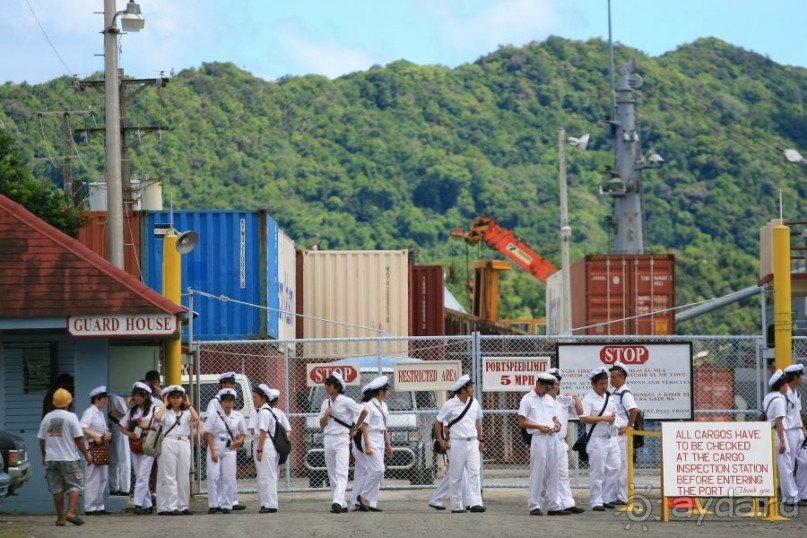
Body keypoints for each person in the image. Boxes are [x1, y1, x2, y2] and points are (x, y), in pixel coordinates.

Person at [38, 387, 92, 527]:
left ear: (54, 402)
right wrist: (86, 454)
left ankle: (60, 518)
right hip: (68, 458)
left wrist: (44, 455)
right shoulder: (71, 417)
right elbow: (79, 439)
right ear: (68, 403)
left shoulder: (47, 417)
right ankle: (71, 512)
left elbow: (42, 439)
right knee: (75, 485)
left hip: (51, 459)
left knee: (57, 488)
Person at [436, 374, 485, 514]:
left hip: (472, 442)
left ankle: (476, 503)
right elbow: (438, 422)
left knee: (474, 473)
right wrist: (441, 440)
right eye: (470, 387)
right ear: (463, 390)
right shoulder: (450, 404)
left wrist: (481, 440)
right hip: (458, 443)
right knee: (456, 475)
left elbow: (478, 421)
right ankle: (457, 505)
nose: (472, 389)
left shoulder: (474, 402)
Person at [319, 372, 367, 514]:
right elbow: (322, 425)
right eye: (326, 384)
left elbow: (364, 411)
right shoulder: (325, 403)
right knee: (332, 473)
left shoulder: (346, 401)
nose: (327, 387)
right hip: (328, 438)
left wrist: (356, 427)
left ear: (337, 386)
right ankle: (342, 503)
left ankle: (336, 501)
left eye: (330, 385)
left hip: (342, 439)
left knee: (341, 471)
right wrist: (326, 415)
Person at [518, 372, 564, 516]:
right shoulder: (527, 400)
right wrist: (538, 426)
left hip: (552, 437)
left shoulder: (549, 400)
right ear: (538, 385)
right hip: (539, 437)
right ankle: (534, 505)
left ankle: (554, 505)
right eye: (545, 388)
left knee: (553, 471)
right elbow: (522, 421)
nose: (546, 391)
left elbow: (555, 418)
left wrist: (557, 424)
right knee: (538, 472)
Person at [154, 385, 198, 515]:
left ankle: (183, 505)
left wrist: (189, 404)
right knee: (169, 476)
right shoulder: (164, 411)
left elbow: (195, 418)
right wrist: (165, 403)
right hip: (169, 441)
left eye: (179, 397)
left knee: (183, 475)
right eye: (172, 397)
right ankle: (171, 506)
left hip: (184, 442)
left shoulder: (186, 412)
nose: (176, 400)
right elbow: (157, 418)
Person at [580, 366, 620, 512]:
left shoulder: (609, 397)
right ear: (594, 384)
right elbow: (583, 419)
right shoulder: (588, 399)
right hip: (597, 439)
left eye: (606, 383)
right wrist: (603, 418)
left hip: (611, 437)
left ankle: (606, 497)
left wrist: (616, 421)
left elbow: (615, 413)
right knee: (598, 472)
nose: (604, 386)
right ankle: (596, 501)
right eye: (601, 383)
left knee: (614, 468)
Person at [206, 372, 246, 510]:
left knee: (228, 476)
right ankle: (216, 503)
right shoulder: (215, 402)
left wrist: (238, 440)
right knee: (214, 476)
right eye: (229, 383)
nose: (232, 386)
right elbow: (210, 426)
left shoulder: (235, 412)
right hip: (216, 442)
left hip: (229, 445)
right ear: (223, 384)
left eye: (233, 384)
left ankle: (228, 503)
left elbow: (243, 431)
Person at [547, 368, 585, 514]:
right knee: (552, 475)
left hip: (561, 441)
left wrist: (574, 397)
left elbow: (581, 412)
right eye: (553, 383)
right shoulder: (542, 400)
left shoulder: (563, 400)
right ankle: (555, 505)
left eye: (558, 383)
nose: (556, 386)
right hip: (548, 440)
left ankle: (567, 503)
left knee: (563, 474)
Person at [356, 376, 394, 512]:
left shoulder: (384, 406)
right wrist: (367, 445)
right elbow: (364, 426)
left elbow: (384, 427)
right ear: (380, 391)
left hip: (380, 439)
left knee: (376, 471)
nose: (388, 392)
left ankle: (372, 502)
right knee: (379, 469)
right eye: (386, 390)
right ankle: (364, 496)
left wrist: (388, 444)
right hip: (370, 438)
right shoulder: (369, 406)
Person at [119, 382, 156, 514]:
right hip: (135, 444)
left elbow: (159, 427)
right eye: (135, 395)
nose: (136, 398)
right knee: (139, 474)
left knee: (143, 474)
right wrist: (130, 434)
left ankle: (138, 503)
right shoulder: (133, 410)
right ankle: (148, 505)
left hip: (148, 443)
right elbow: (122, 426)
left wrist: (147, 426)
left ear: (145, 396)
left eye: (139, 395)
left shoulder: (154, 409)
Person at [254, 384, 291, 513]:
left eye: (256, 397)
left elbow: (263, 432)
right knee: (267, 475)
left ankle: (270, 504)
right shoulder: (267, 410)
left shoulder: (264, 412)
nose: (254, 399)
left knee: (267, 476)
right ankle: (267, 503)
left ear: (263, 398)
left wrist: (259, 450)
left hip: (267, 446)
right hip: (270, 446)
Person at [765, 369, 798, 505]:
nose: (787, 387)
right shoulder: (779, 400)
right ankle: (790, 497)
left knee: (771, 466)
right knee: (785, 466)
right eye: (785, 385)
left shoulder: (768, 397)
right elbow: (779, 421)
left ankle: (765, 496)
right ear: (780, 386)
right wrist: (783, 441)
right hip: (778, 434)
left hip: (770, 434)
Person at [609, 361, 638, 506]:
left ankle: (623, 495)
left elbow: (633, 410)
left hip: (623, 434)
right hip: (616, 433)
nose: (612, 380)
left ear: (622, 378)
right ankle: (615, 494)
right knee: (615, 464)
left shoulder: (625, 393)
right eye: (611, 377)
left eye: (614, 377)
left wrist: (628, 426)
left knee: (622, 466)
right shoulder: (616, 393)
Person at [427, 417, 472, 511]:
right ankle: (468, 502)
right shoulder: (450, 406)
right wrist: (445, 440)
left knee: (455, 472)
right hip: (452, 442)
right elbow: (444, 426)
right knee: (459, 471)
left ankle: (436, 499)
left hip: (458, 442)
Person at [81, 386, 112, 515]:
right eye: (104, 398)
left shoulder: (100, 413)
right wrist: (95, 436)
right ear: (98, 398)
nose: (105, 401)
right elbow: (82, 427)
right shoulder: (90, 412)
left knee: (102, 478)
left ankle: (99, 506)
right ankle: (90, 507)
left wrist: (107, 434)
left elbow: (103, 429)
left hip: (101, 447)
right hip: (93, 446)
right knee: (92, 478)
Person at [350, 382, 373, 511]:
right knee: (368, 471)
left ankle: (355, 501)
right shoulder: (367, 407)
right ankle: (361, 499)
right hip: (362, 441)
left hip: (356, 442)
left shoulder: (360, 406)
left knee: (360, 473)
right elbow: (364, 427)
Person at [107, 392, 131, 496]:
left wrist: (113, 412)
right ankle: (114, 487)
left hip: (119, 428)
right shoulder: (111, 397)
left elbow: (125, 414)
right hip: (111, 429)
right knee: (113, 460)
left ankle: (125, 488)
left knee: (123, 459)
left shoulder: (114, 398)